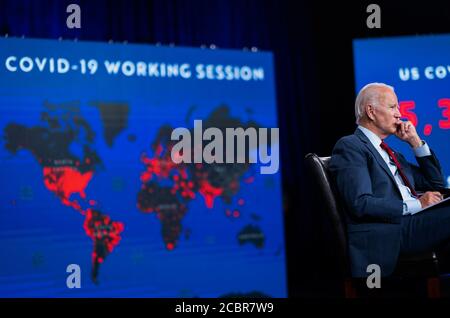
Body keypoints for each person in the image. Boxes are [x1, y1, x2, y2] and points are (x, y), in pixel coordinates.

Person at [329, 82, 450, 277]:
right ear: (371, 111)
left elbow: (436, 184)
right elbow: (360, 203)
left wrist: (415, 142)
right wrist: (417, 205)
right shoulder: (351, 146)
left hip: (412, 223)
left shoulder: (391, 152)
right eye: (392, 107)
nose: (399, 114)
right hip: (391, 231)